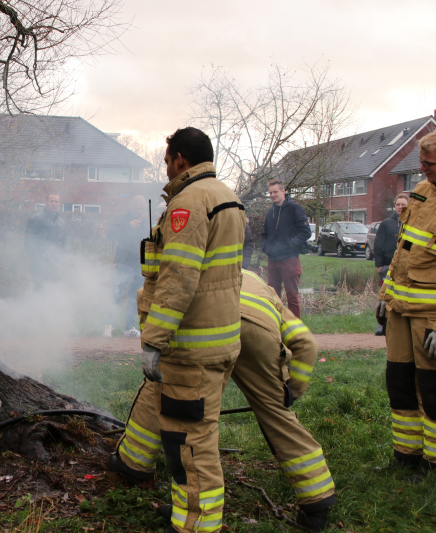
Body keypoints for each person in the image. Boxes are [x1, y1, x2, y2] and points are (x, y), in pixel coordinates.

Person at [113, 270, 336, 532]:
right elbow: (306, 343)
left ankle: (135, 464)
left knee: (168, 392)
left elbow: (154, 301)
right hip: (259, 332)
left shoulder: (194, 273)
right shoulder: (262, 287)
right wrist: (289, 393)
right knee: (277, 415)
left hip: (209, 327)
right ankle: (317, 501)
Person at [109, 127, 245, 533]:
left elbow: (178, 278)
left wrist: (154, 339)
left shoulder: (189, 202)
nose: (165, 168)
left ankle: (197, 525)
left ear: (180, 159)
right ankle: (186, 514)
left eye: (167, 160)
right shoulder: (226, 196)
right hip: (218, 339)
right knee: (185, 433)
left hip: (191, 347)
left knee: (189, 443)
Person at [376, 129, 436, 482]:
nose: (423, 168)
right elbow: (402, 251)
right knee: (399, 382)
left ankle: (435, 465)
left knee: (432, 389)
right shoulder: (422, 191)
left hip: (431, 318)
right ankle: (406, 456)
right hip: (400, 309)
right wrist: (385, 296)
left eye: (429, 164)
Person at [261, 180, 311, 318]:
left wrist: (290, 244)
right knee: (273, 297)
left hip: (290, 260)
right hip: (273, 260)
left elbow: (306, 232)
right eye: (270, 192)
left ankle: (295, 330)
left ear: (283, 192)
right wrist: (266, 247)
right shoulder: (270, 211)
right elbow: (264, 234)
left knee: (292, 297)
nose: (272, 195)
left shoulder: (294, 208)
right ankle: (276, 327)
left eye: (275, 192)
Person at [103, 195, 147, 338]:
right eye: (136, 208)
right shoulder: (122, 220)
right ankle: (109, 326)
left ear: (145, 208)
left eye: (141, 208)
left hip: (139, 264)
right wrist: (127, 227)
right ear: (131, 206)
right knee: (117, 294)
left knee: (134, 297)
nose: (139, 211)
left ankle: (129, 327)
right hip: (122, 263)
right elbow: (110, 235)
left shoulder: (147, 222)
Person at [373, 193, 409, 335]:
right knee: (384, 296)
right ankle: (381, 325)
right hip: (387, 266)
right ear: (395, 206)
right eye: (398, 204)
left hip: (405, 268)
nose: (400, 207)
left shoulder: (411, 224)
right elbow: (378, 244)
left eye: (403, 205)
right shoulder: (387, 223)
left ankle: (400, 326)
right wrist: (379, 265)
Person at [24, 192, 66, 289]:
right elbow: (29, 242)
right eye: (51, 201)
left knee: (53, 290)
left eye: (56, 202)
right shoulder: (36, 219)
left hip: (55, 264)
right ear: (46, 203)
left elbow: (64, 242)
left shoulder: (61, 222)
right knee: (40, 290)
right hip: (39, 265)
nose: (54, 204)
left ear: (59, 204)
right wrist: (38, 260)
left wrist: (63, 258)